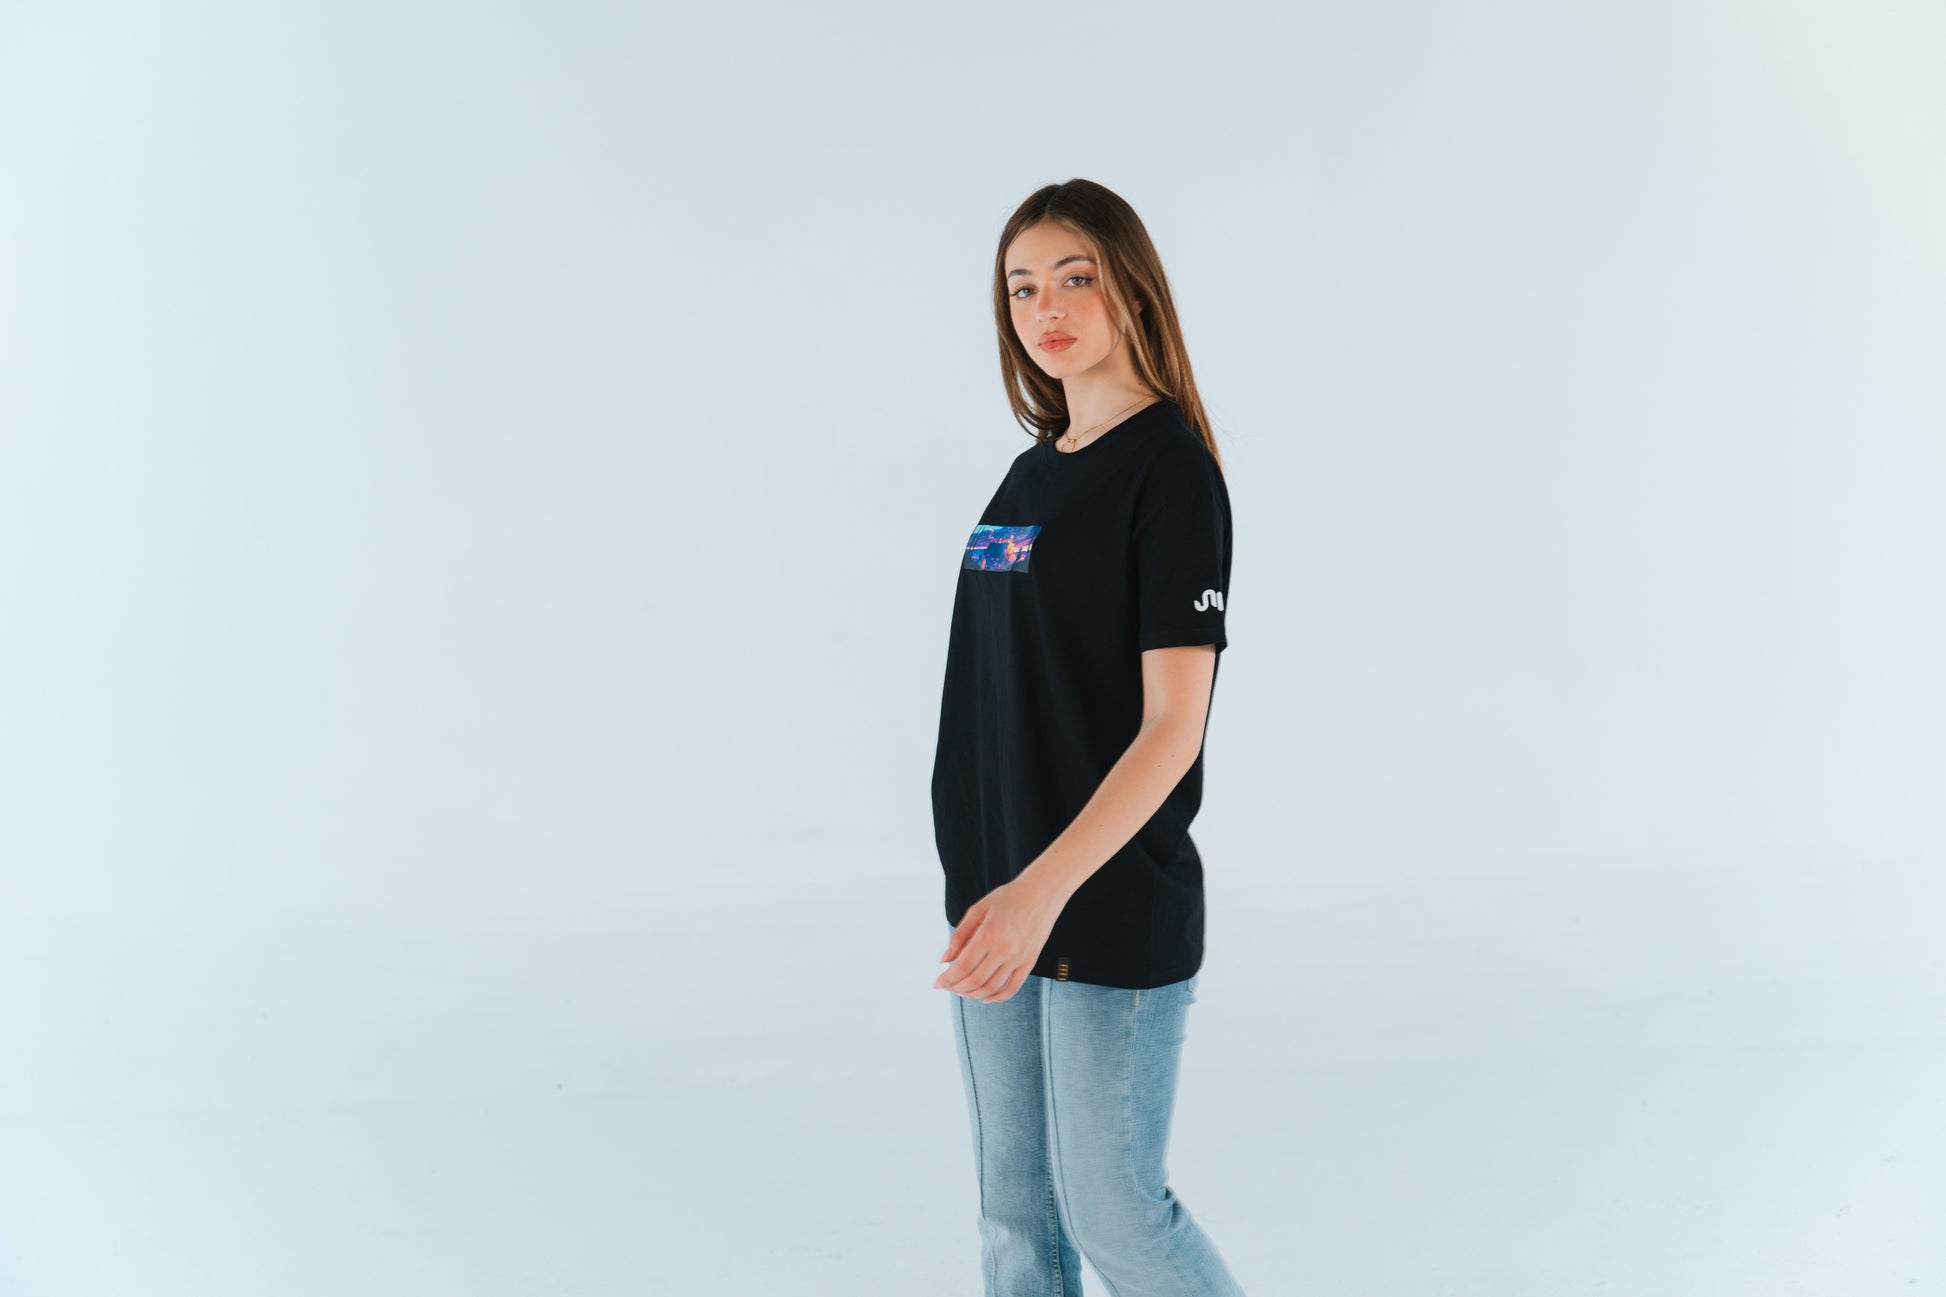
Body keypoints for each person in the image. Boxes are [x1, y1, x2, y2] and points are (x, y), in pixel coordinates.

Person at [929, 178, 1247, 1297]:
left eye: (1075, 277)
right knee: (1017, 1222)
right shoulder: (1032, 471)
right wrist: (998, 890)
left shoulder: (1170, 473)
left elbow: (1171, 729)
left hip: (1102, 904)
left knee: (1115, 1215)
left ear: (1132, 288)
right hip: (996, 900)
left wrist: (1040, 892)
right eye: (1021, 287)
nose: (1046, 308)